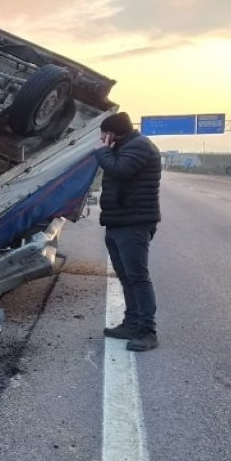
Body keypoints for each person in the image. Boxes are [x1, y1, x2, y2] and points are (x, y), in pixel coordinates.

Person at [93, 111, 162, 351]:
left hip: (135, 223)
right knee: (125, 276)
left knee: (138, 277)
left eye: (104, 133)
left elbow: (120, 170)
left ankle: (147, 331)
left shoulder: (140, 146)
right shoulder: (126, 146)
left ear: (111, 133)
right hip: (119, 221)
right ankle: (131, 323)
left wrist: (103, 151)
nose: (102, 138)